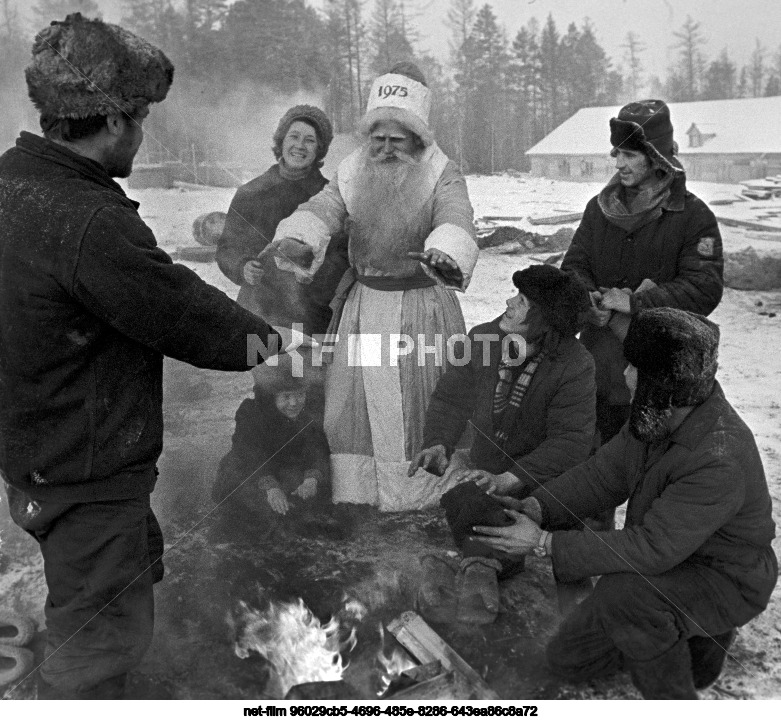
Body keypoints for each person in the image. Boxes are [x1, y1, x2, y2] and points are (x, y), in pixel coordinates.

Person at [0, 14, 294, 699]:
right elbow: (177, 308)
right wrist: (269, 340)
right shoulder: (88, 218)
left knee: (96, 593)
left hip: (38, 453)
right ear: (110, 121)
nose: (142, 132)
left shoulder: (13, 183)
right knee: (97, 643)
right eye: (141, 118)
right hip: (87, 468)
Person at [472, 308, 777, 699]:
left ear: (664, 383)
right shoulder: (659, 414)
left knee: (627, 598)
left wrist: (543, 543)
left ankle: (676, 694)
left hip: (724, 576)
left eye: (635, 367)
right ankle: (683, 634)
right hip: (669, 559)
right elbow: (602, 477)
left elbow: (652, 548)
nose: (625, 375)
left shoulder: (718, 455)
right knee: (567, 659)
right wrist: (536, 508)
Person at [268, 62, 479, 512]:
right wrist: (301, 235)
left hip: (423, 306)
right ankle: (362, 492)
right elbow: (325, 206)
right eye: (377, 137)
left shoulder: (442, 171)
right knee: (353, 401)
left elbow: (456, 217)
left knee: (426, 394)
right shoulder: (353, 168)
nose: (384, 148)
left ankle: (421, 491)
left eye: (395, 139)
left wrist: (445, 249)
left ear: (416, 137)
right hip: (364, 307)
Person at [408, 265, 595, 624]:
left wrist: (512, 477)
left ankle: (572, 609)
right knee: (467, 499)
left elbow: (569, 442)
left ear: (543, 318)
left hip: (545, 479)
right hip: (488, 470)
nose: (509, 301)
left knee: (559, 522)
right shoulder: (483, 340)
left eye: (522, 300)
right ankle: (485, 564)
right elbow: (452, 399)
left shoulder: (575, 365)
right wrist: (439, 444)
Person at [561, 99, 724, 452]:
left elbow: (704, 288)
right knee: (591, 474)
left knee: (650, 478)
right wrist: (586, 297)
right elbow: (574, 265)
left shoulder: (693, 216)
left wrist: (636, 303)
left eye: (631, 154)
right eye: (616, 153)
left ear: (656, 156)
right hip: (596, 368)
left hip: (655, 377)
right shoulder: (599, 208)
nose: (619, 163)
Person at [216, 105, 349, 337]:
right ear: (281, 141)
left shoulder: (330, 198)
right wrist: (243, 266)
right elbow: (228, 246)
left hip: (312, 315)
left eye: (310, 140)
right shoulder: (251, 192)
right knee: (265, 369)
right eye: (294, 136)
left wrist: (316, 279)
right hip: (259, 311)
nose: (299, 145)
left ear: (319, 149)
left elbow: (342, 254)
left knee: (309, 371)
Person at [212, 352, 330, 522]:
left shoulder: (309, 415)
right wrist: (270, 487)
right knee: (246, 499)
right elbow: (249, 454)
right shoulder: (250, 414)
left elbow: (317, 447)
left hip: (292, 470)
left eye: (299, 394)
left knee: (310, 496)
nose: (294, 403)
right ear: (271, 397)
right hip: (256, 472)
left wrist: (311, 479)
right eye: (286, 396)